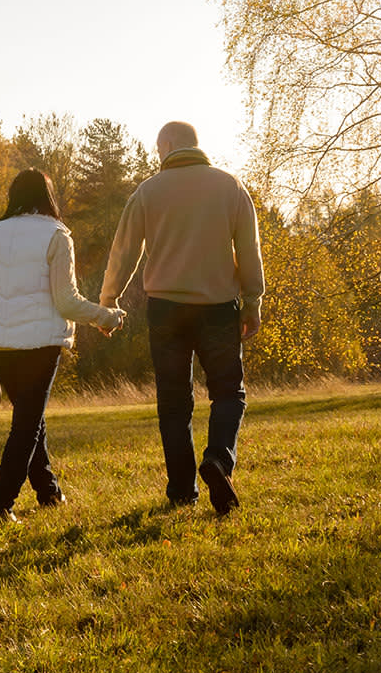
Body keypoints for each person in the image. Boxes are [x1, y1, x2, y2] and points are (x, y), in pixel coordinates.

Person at [98, 121, 264, 515]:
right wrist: (253, 300)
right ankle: (219, 461)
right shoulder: (230, 186)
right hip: (218, 307)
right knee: (228, 393)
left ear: (168, 145)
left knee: (174, 401)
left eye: (158, 149)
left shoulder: (147, 191)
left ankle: (181, 491)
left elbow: (123, 253)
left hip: (166, 309)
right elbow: (249, 247)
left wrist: (108, 301)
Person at [0, 169, 126, 522]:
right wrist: (106, 316)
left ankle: (48, 491)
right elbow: (66, 302)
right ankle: (1, 504)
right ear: (48, 196)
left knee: (30, 419)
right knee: (27, 424)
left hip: (0, 349)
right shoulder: (57, 234)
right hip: (39, 347)